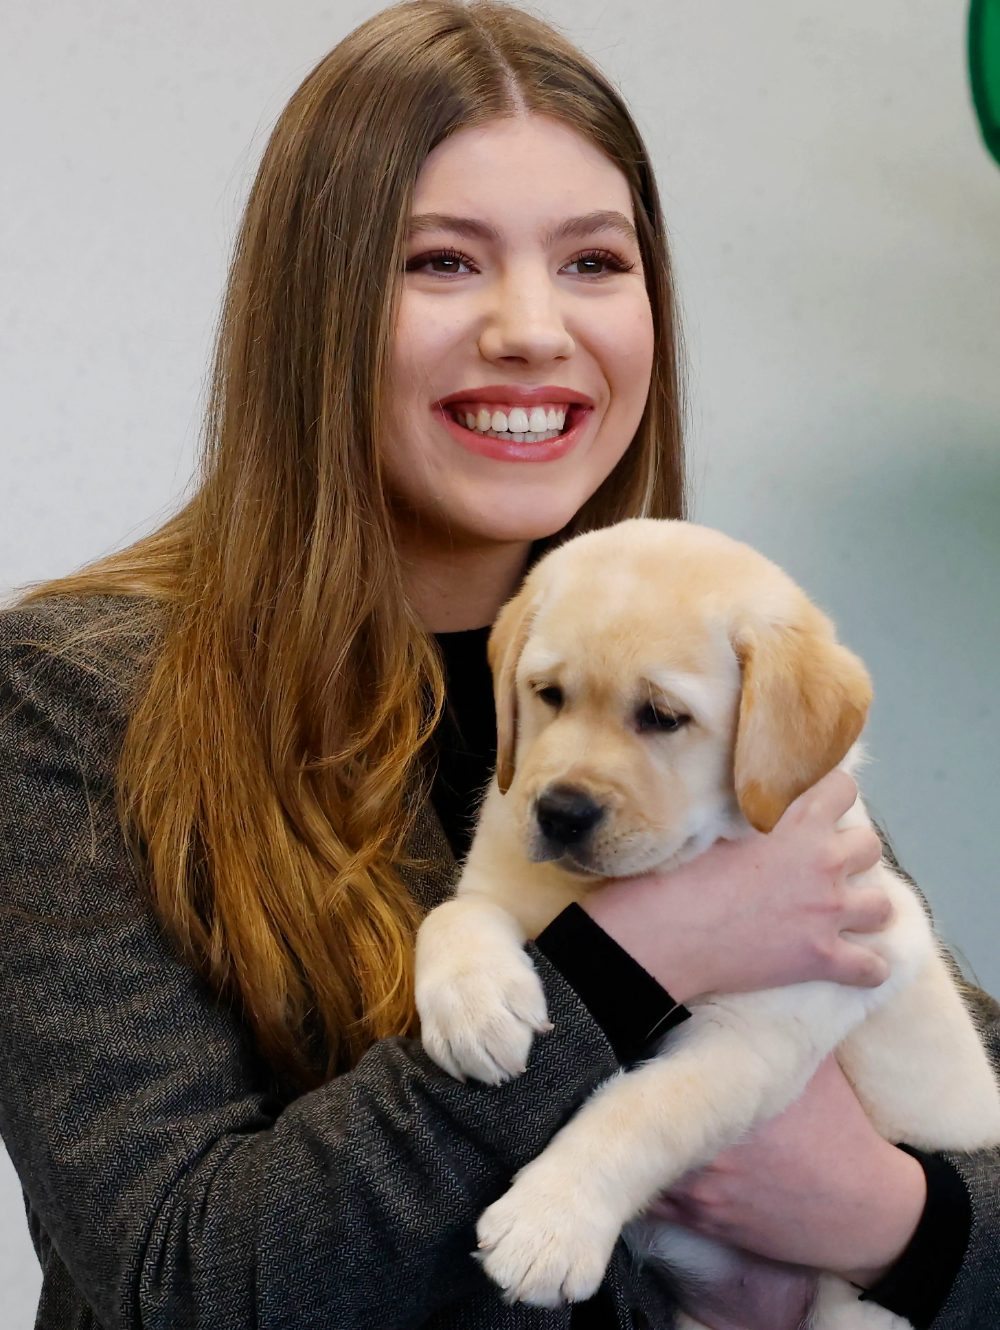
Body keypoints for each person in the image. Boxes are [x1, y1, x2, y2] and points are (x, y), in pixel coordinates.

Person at [0, 4, 996, 1328]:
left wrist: (882, 1216)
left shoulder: (708, 656)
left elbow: (951, 1080)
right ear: (318, 307)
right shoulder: (76, 692)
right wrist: (625, 961)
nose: (534, 329)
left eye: (594, 261)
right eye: (442, 263)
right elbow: (179, 1278)